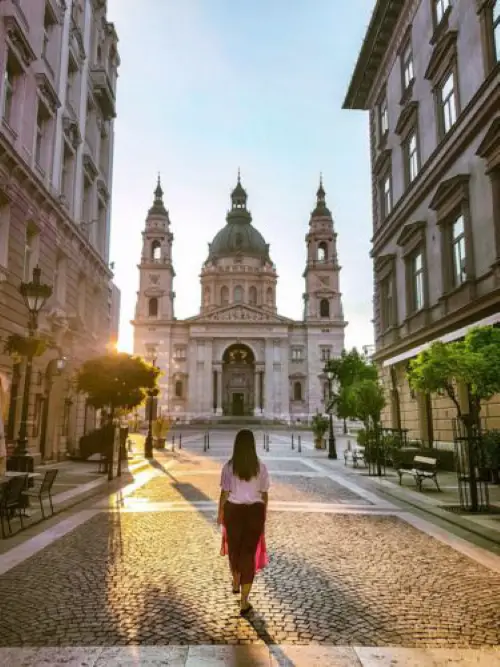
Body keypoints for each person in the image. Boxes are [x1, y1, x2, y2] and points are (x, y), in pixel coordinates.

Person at [217, 429, 269, 615]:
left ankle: (236, 579)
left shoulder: (228, 467)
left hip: (234, 511)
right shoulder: (261, 467)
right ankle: (244, 601)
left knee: (234, 550)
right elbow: (264, 494)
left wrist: (220, 513)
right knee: (248, 553)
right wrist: (264, 514)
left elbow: (224, 493)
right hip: (255, 512)